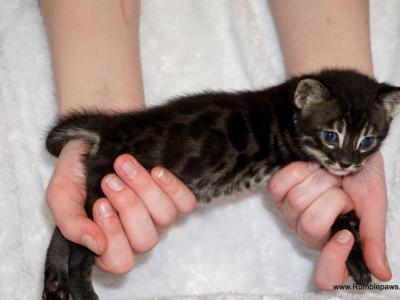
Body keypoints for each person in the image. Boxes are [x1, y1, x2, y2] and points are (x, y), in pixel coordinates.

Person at [40, 0, 391, 291]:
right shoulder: (287, 124)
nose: (346, 162)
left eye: (365, 144)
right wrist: (106, 105)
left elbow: (340, 107)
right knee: (102, 208)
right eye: (333, 139)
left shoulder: (301, 122)